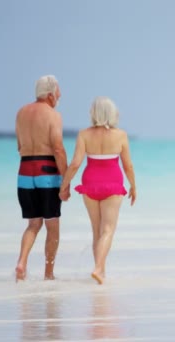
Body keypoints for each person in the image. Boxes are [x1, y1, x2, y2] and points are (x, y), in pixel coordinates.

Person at [59, 96, 136, 285]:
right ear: (112, 113)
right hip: (112, 184)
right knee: (108, 230)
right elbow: (128, 166)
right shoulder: (121, 135)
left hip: (90, 183)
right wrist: (133, 186)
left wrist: (64, 186)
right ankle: (99, 269)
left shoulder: (84, 134)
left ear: (93, 113)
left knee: (96, 231)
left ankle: (101, 271)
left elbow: (76, 163)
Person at [14, 75, 68, 282]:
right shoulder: (53, 115)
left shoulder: (21, 113)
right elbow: (58, 148)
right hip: (47, 172)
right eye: (58, 93)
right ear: (50, 94)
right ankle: (49, 273)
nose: (59, 97)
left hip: (25, 171)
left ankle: (22, 263)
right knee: (52, 227)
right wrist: (66, 180)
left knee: (32, 224)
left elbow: (20, 146)